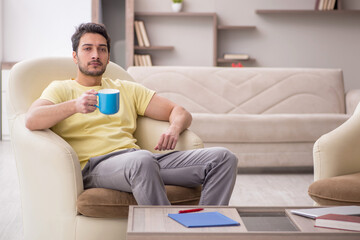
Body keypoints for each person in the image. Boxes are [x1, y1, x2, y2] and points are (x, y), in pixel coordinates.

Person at [25, 22, 238, 205]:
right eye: (87, 49)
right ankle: (164, 233)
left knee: (223, 158)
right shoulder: (62, 89)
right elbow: (32, 119)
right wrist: (74, 106)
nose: (95, 55)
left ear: (108, 57)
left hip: (140, 161)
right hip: (97, 166)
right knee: (142, 160)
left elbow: (180, 112)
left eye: (102, 49)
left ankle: (208, 226)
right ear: (75, 56)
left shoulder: (126, 88)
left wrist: (174, 129)